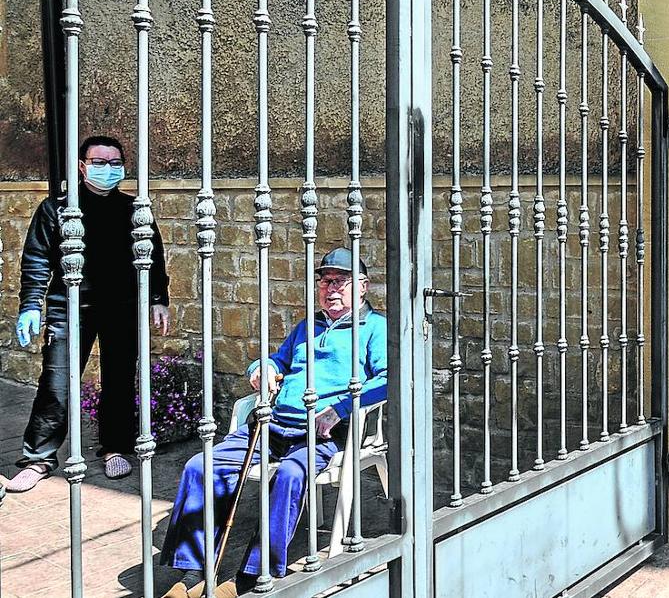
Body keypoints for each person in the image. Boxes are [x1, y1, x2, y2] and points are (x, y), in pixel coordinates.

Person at [161, 247, 387, 598]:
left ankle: (252, 575)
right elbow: (277, 360)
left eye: (341, 282)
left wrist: (341, 408)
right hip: (271, 425)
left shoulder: (375, 329)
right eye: (326, 281)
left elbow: (388, 379)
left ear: (362, 287)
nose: (331, 289)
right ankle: (191, 573)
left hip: (322, 432)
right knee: (200, 467)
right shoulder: (306, 326)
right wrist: (262, 369)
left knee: (290, 475)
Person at [7, 135, 171, 492]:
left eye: (115, 162)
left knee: (119, 380)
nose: (108, 169)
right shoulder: (59, 208)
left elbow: (153, 256)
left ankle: (115, 448)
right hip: (69, 308)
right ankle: (38, 458)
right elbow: (36, 260)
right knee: (57, 383)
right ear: (82, 166)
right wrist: (31, 305)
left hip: (121, 308)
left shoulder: (134, 208)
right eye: (99, 162)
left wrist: (159, 298)